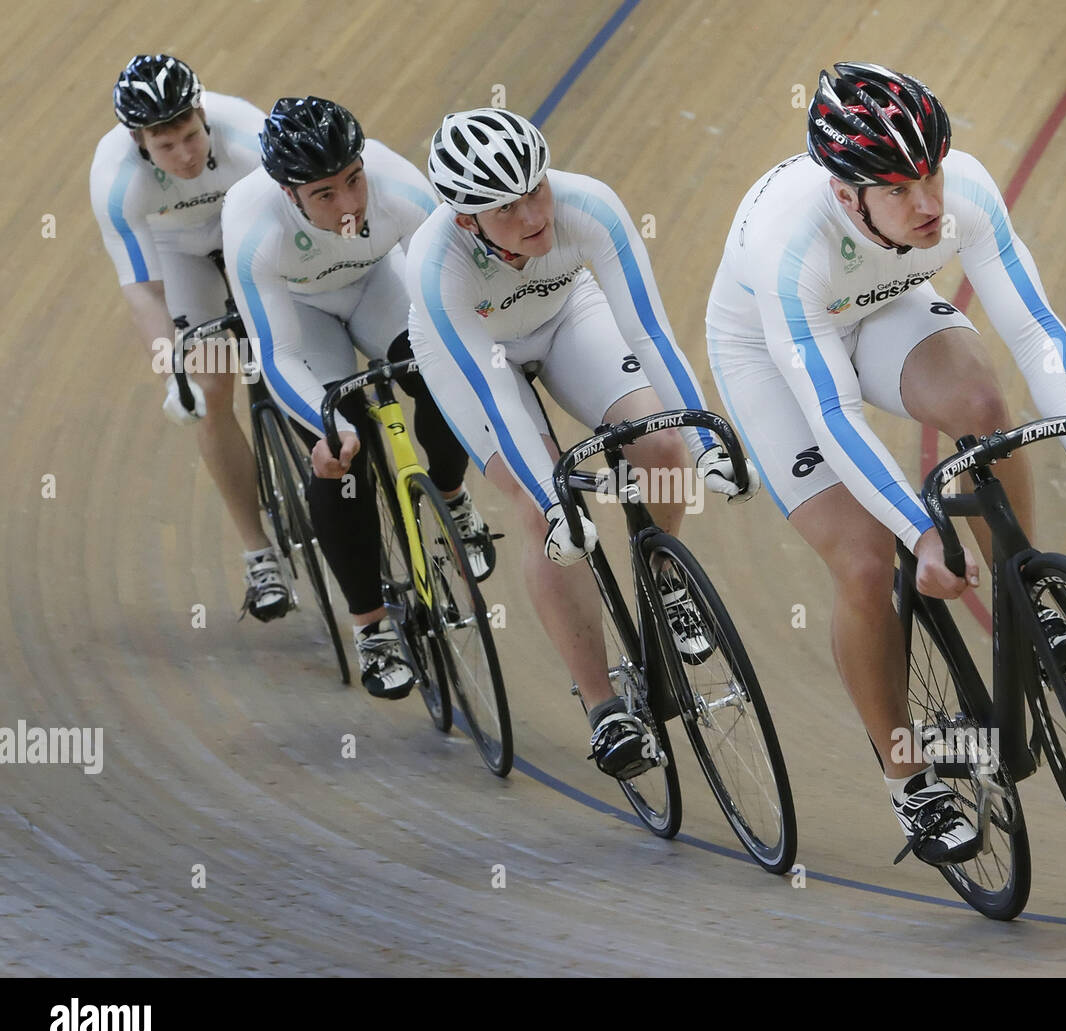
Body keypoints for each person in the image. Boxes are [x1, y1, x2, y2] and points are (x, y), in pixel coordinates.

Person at [705, 62, 1066, 864]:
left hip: (882, 304)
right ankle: (909, 775)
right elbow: (834, 414)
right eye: (900, 189)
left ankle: (1026, 598)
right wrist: (918, 533)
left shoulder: (965, 194)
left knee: (984, 411)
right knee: (862, 557)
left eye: (933, 176)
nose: (930, 204)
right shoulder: (789, 249)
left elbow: (1035, 331)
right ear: (848, 196)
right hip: (775, 357)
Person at [408, 108, 757, 778]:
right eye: (504, 209)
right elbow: (496, 395)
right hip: (480, 359)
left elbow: (650, 333)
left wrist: (703, 433)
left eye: (536, 190)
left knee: (660, 449)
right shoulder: (436, 266)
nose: (533, 215)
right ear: (466, 221)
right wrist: (552, 496)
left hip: (566, 312)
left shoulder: (589, 205)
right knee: (546, 512)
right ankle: (606, 709)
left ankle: (662, 577)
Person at [222, 96, 493, 699]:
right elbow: (279, 355)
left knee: (440, 376)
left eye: (353, 180)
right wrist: (325, 427)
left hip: (377, 286)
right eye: (324, 194)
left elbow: (454, 296)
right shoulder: (252, 228)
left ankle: (451, 497)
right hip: (301, 318)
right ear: (288, 193)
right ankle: (371, 626)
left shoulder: (404, 189)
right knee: (343, 458)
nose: (348, 206)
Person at [90, 54, 289, 621]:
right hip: (179, 255)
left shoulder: (250, 135)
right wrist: (171, 375)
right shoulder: (115, 181)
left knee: (296, 345)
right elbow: (145, 290)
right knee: (210, 393)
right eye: (165, 146)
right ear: (138, 141)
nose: (185, 155)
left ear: (203, 114)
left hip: (250, 231)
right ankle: (259, 555)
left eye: (189, 136)